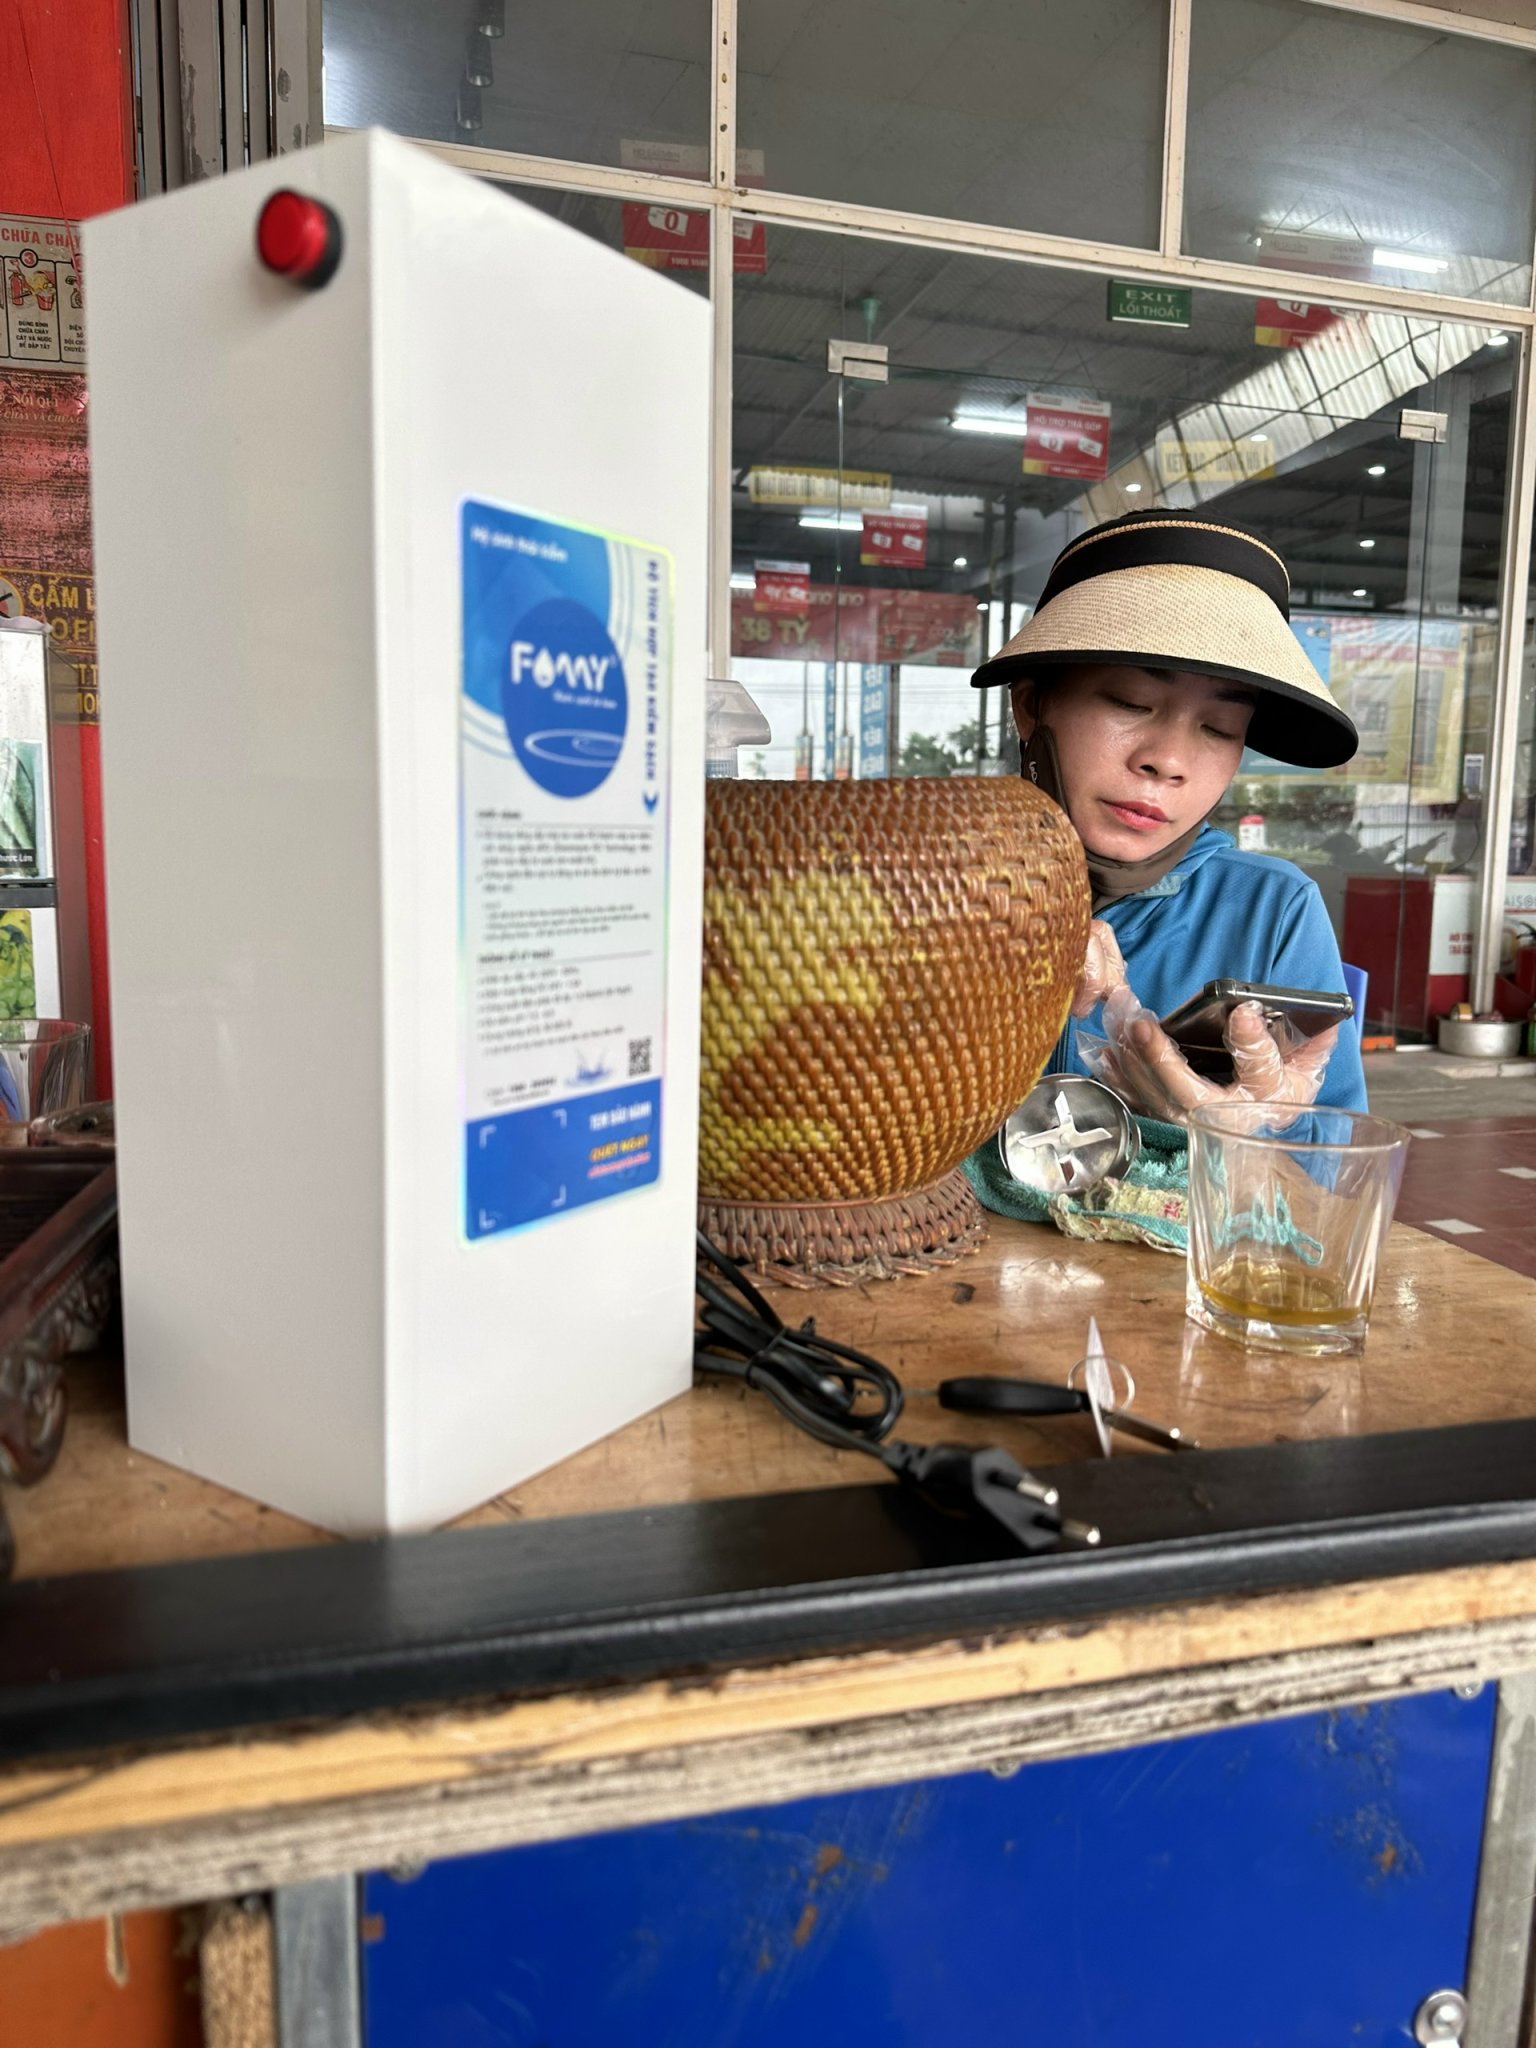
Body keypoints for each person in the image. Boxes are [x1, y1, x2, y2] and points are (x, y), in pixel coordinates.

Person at [970, 508, 1368, 1120]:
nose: (1170, 761)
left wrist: (1239, 1139)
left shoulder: (1273, 912)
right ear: (1029, 706)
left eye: (1220, 727)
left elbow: (1330, 1168)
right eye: (1132, 702)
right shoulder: (913, 886)